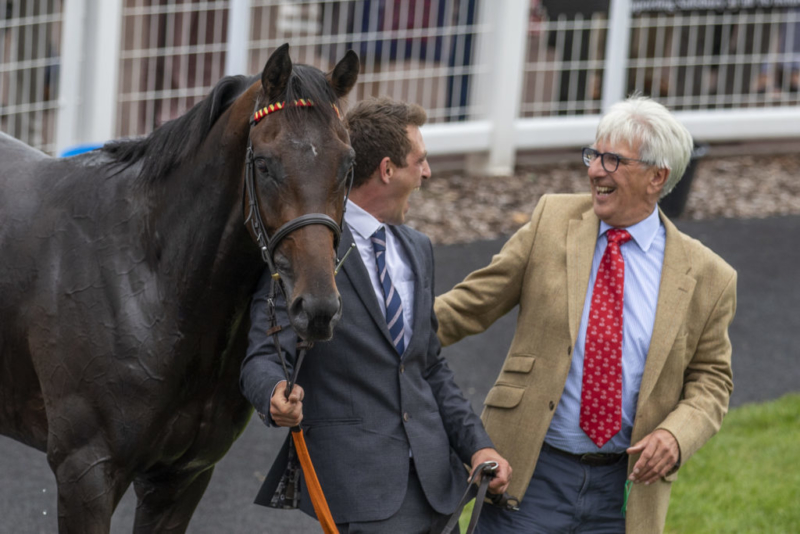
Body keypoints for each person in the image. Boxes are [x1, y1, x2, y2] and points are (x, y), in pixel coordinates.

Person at [435, 96, 736, 533]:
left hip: (623, 491)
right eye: (593, 155)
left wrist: (676, 435)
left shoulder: (709, 276)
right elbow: (470, 305)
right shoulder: (552, 221)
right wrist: (382, 333)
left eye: (613, 160)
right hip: (530, 473)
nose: (595, 170)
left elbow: (712, 379)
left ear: (657, 176)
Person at [240, 96, 511, 533]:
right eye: (419, 161)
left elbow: (429, 367)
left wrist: (477, 447)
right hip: (360, 492)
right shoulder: (306, 250)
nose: (427, 173)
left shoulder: (417, 248)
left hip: (437, 488)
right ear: (387, 170)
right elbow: (262, 358)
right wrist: (273, 393)